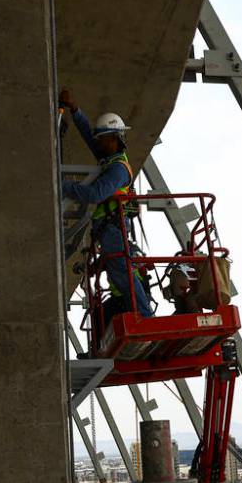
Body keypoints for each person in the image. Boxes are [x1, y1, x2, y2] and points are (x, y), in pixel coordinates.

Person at [59, 89, 153, 319]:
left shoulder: (118, 168)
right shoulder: (109, 159)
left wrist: (62, 186)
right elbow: (90, 138)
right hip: (109, 227)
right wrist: (75, 110)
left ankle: (143, 316)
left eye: (101, 138)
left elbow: (95, 194)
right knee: (118, 272)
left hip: (113, 228)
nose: (97, 141)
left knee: (121, 272)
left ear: (112, 139)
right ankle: (141, 314)